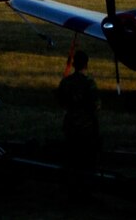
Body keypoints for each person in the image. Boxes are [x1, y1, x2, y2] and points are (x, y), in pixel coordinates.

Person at [56, 48, 99, 192]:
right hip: (86, 126)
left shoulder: (66, 82)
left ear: (74, 64)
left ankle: (70, 187)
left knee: (71, 158)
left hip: (70, 125)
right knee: (86, 160)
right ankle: (85, 189)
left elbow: (60, 101)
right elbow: (96, 105)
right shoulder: (89, 83)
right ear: (86, 65)